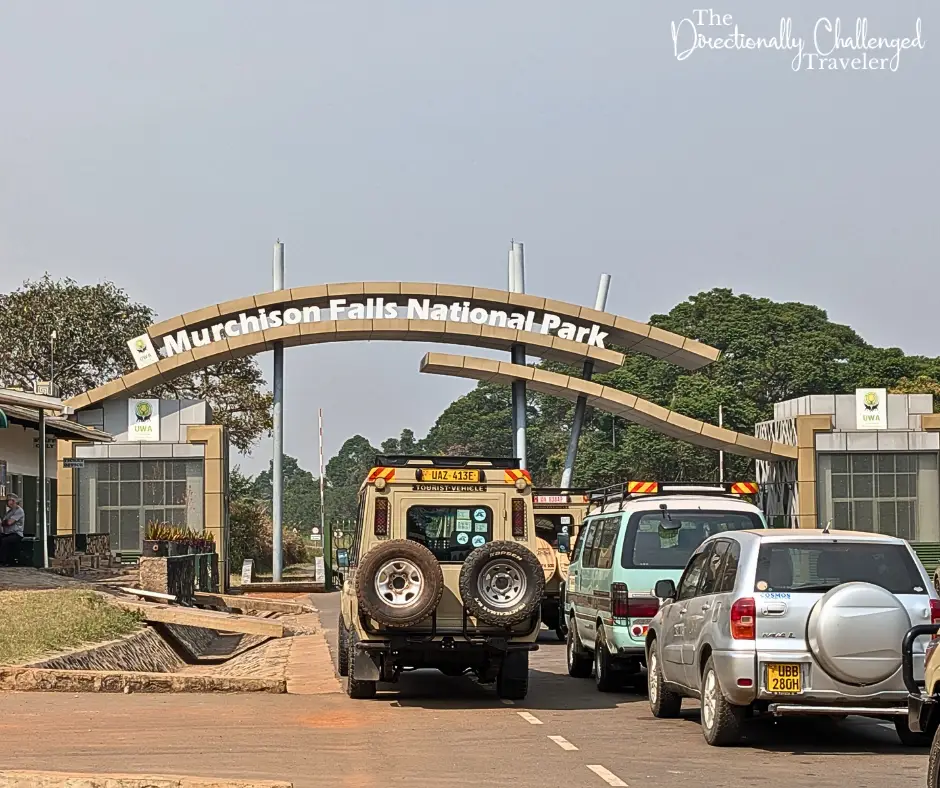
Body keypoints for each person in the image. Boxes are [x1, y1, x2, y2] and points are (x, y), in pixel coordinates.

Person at [0, 493, 25, 566]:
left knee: (5, 541)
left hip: (16, 534)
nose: (7, 502)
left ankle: (3, 561)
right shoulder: (9, 511)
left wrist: (5, 522)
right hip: (7, 533)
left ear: (13, 501)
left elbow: (9, 522)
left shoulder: (19, 511)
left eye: (8, 500)